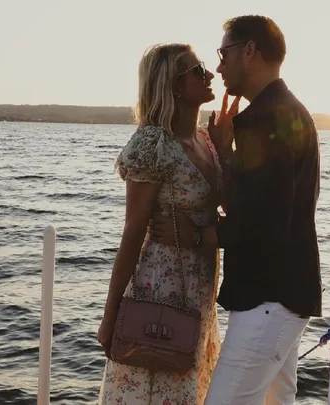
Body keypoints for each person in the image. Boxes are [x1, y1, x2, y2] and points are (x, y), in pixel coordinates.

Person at [150, 15, 322, 405]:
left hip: (269, 299)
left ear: (249, 51)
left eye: (223, 53)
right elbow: (257, 204)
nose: (219, 67)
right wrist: (226, 152)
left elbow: (263, 225)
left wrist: (192, 235)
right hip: (285, 295)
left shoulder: (267, 118)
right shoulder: (283, 111)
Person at [96, 43, 236, 405]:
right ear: (173, 86)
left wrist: (227, 148)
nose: (208, 75)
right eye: (197, 70)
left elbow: (231, 209)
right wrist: (110, 317)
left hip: (199, 288)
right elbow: (133, 230)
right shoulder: (153, 142)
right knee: (154, 381)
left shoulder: (207, 139)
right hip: (159, 285)